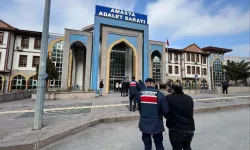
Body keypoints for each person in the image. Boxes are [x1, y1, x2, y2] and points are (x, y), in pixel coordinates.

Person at [136, 78, 169, 150]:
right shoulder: (160, 94)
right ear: (154, 84)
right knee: (159, 144)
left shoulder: (140, 93)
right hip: (157, 123)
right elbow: (166, 111)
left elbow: (139, 107)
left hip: (144, 122)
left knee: (147, 145)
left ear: (146, 84)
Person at [166, 84, 195, 150]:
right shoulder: (189, 98)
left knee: (176, 148)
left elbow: (166, 112)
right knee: (187, 147)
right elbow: (191, 111)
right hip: (190, 128)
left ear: (172, 90)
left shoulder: (169, 98)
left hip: (176, 129)